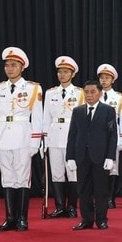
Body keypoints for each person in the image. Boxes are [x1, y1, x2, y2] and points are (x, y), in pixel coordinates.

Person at [0, 47, 44, 231]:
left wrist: (35, 142)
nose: (10, 68)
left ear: (22, 67)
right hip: (2, 137)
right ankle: (10, 217)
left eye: (14, 65)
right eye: (7, 65)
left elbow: (38, 117)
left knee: (22, 178)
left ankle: (22, 218)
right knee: (7, 179)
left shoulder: (33, 88)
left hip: (23, 137)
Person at [65, 79, 117, 230]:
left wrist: (110, 156)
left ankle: (101, 219)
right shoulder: (78, 111)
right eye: (86, 92)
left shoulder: (108, 110)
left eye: (93, 92)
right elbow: (72, 135)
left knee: (101, 189)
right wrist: (70, 156)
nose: (89, 95)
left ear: (100, 93)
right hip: (82, 156)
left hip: (100, 156)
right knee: (83, 190)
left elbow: (112, 135)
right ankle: (86, 220)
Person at [42, 56, 83, 218]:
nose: (62, 75)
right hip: (54, 135)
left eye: (66, 72)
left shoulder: (79, 93)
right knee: (57, 173)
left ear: (72, 74)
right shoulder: (51, 92)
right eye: (60, 72)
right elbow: (46, 117)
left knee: (72, 172)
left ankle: (72, 207)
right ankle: (60, 206)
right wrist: (43, 140)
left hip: (72, 135)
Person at [96, 64, 122, 208]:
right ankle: (99, 197)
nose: (104, 80)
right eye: (102, 78)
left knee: (113, 168)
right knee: (97, 167)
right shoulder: (93, 94)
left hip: (113, 134)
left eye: (107, 78)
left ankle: (110, 198)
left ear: (112, 80)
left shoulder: (120, 97)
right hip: (97, 135)